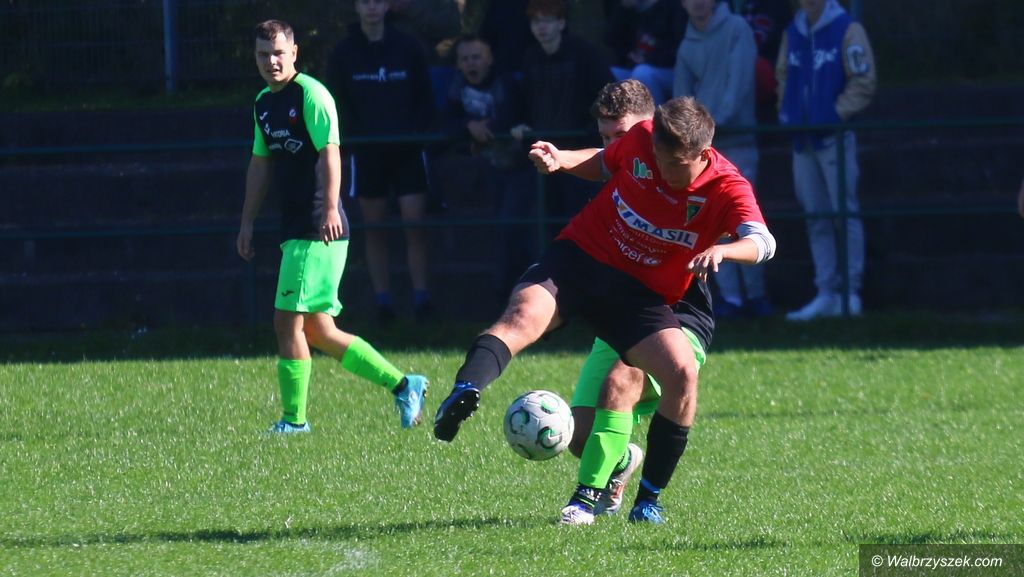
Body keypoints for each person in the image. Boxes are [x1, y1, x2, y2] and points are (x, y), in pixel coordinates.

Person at [432, 96, 776, 527]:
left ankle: (637, 500)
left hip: (639, 294)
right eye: (658, 160)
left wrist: (724, 250)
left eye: (675, 165)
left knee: (675, 375)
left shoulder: (726, 186)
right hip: (582, 257)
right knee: (524, 315)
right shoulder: (644, 139)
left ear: (703, 154)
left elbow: (764, 241)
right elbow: (604, 161)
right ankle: (466, 388)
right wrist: (561, 159)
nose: (663, 172)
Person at [239, 19, 428, 434]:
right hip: (294, 228)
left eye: (278, 53)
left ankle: (294, 421)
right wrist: (247, 221)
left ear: (294, 53)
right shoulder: (263, 103)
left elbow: (331, 153)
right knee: (319, 330)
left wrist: (328, 208)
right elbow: (260, 163)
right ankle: (404, 385)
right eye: (263, 54)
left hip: (317, 227)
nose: (271, 61)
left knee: (285, 321)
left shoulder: (312, 95)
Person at [326, 0, 437, 322]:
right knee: (374, 229)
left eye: (378, 1)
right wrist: (354, 139)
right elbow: (336, 102)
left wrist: (414, 133)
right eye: (365, 1)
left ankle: (422, 300)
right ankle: (383, 303)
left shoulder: (409, 47)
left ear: (387, 6)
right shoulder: (343, 53)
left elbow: (425, 99)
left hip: (408, 152)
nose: (371, 7)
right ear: (356, 7)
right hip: (366, 154)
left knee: (415, 226)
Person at [777, 0, 876, 321]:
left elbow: (863, 80)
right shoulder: (792, 32)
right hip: (802, 140)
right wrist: (788, 113)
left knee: (844, 213)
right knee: (815, 216)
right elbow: (783, 76)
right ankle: (826, 292)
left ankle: (850, 292)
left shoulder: (848, 28)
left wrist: (834, 114)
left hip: (834, 138)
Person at [675, 0, 771, 318]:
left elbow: (739, 86)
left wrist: (707, 130)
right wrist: (688, 136)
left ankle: (756, 297)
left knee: (745, 220)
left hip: (738, 141)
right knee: (711, 222)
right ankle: (732, 299)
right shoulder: (686, 42)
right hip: (704, 150)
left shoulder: (737, 29)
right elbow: (681, 99)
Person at [439, 34, 535, 299]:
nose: (471, 63)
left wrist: (485, 131)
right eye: (465, 59)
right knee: (494, 229)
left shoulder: (506, 83)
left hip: (516, 167)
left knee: (512, 227)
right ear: (458, 64)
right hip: (483, 171)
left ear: (489, 58)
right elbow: (444, 122)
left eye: (476, 57)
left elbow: (510, 116)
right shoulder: (456, 86)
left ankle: (513, 290)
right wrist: (468, 127)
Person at [512, 0, 614, 222]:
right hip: (544, 155)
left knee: (579, 217)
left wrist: (592, 130)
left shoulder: (586, 54)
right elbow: (523, 103)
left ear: (561, 23)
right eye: (536, 22)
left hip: (580, 152)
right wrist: (521, 125)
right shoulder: (529, 58)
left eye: (547, 21)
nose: (541, 27)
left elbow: (606, 94)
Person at [604, 0, 687, 105]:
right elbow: (611, 40)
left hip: (669, 71)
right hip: (636, 69)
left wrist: (648, 59)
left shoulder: (674, 7)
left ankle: (656, 115)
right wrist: (624, 9)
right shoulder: (633, 8)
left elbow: (678, 50)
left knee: (643, 73)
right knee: (610, 73)